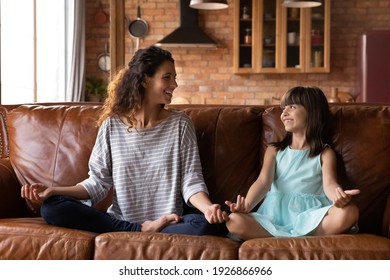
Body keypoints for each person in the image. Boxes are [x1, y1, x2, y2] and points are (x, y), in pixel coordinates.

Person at [21, 45, 228, 235]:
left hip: (171, 223)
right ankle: (138, 229)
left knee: (205, 225)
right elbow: (97, 184)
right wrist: (52, 191)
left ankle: (145, 229)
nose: (174, 84)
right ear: (146, 80)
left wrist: (209, 208)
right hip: (121, 222)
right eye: (167, 77)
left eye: (175, 77)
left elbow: (191, 182)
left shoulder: (181, 124)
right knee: (52, 208)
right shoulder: (112, 126)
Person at [225, 86, 360, 241]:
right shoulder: (274, 150)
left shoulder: (324, 153)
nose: (284, 113)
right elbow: (263, 182)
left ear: (312, 112)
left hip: (311, 217)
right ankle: (297, 237)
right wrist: (246, 206)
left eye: (292, 107)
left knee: (350, 212)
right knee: (234, 220)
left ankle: (288, 236)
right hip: (274, 217)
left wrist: (339, 197)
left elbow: (329, 184)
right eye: (283, 108)